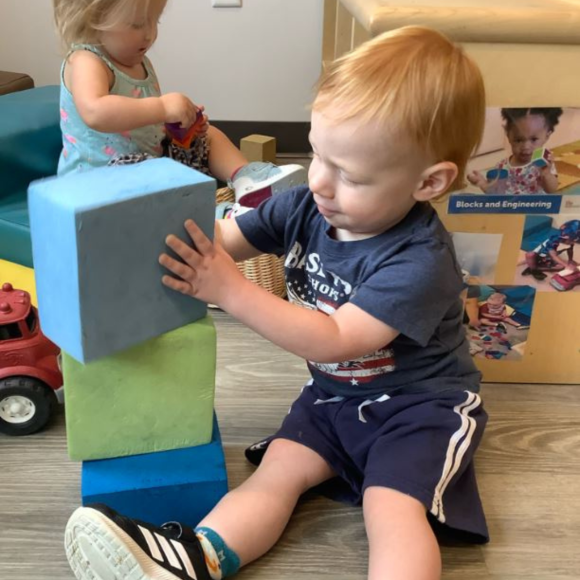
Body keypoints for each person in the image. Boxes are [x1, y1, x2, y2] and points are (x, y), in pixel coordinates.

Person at [64, 26, 489, 580]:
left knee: (390, 506)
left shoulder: (421, 261)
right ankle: (196, 559)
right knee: (274, 478)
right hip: (333, 397)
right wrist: (141, 240)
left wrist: (230, 289)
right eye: (317, 154)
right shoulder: (309, 206)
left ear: (429, 182)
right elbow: (222, 240)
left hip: (419, 408)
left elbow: (333, 339)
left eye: (350, 175)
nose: (321, 183)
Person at [52, 0, 306, 205]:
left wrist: (178, 128)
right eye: (138, 24)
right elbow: (95, 111)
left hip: (149, 163)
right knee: (159, 177)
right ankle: (218, 220)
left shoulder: (139, 63)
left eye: (156, 21)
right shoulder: (86, 60)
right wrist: (162, 108)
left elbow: (144, 125)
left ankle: (248, 180)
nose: (150, 34)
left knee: (209, 137)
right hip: (97, 181)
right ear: (93, 18)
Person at [467, 107, 563, 195]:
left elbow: (552, 190)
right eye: (518, 140)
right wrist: (482, 183)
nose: (526, 147)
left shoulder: (543, 165)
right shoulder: (501, 166)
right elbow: (496, 194)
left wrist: (546, 174)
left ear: (547, 136)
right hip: (511, 210)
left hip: (535, 209)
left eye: (533, 139)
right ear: (508, 135)